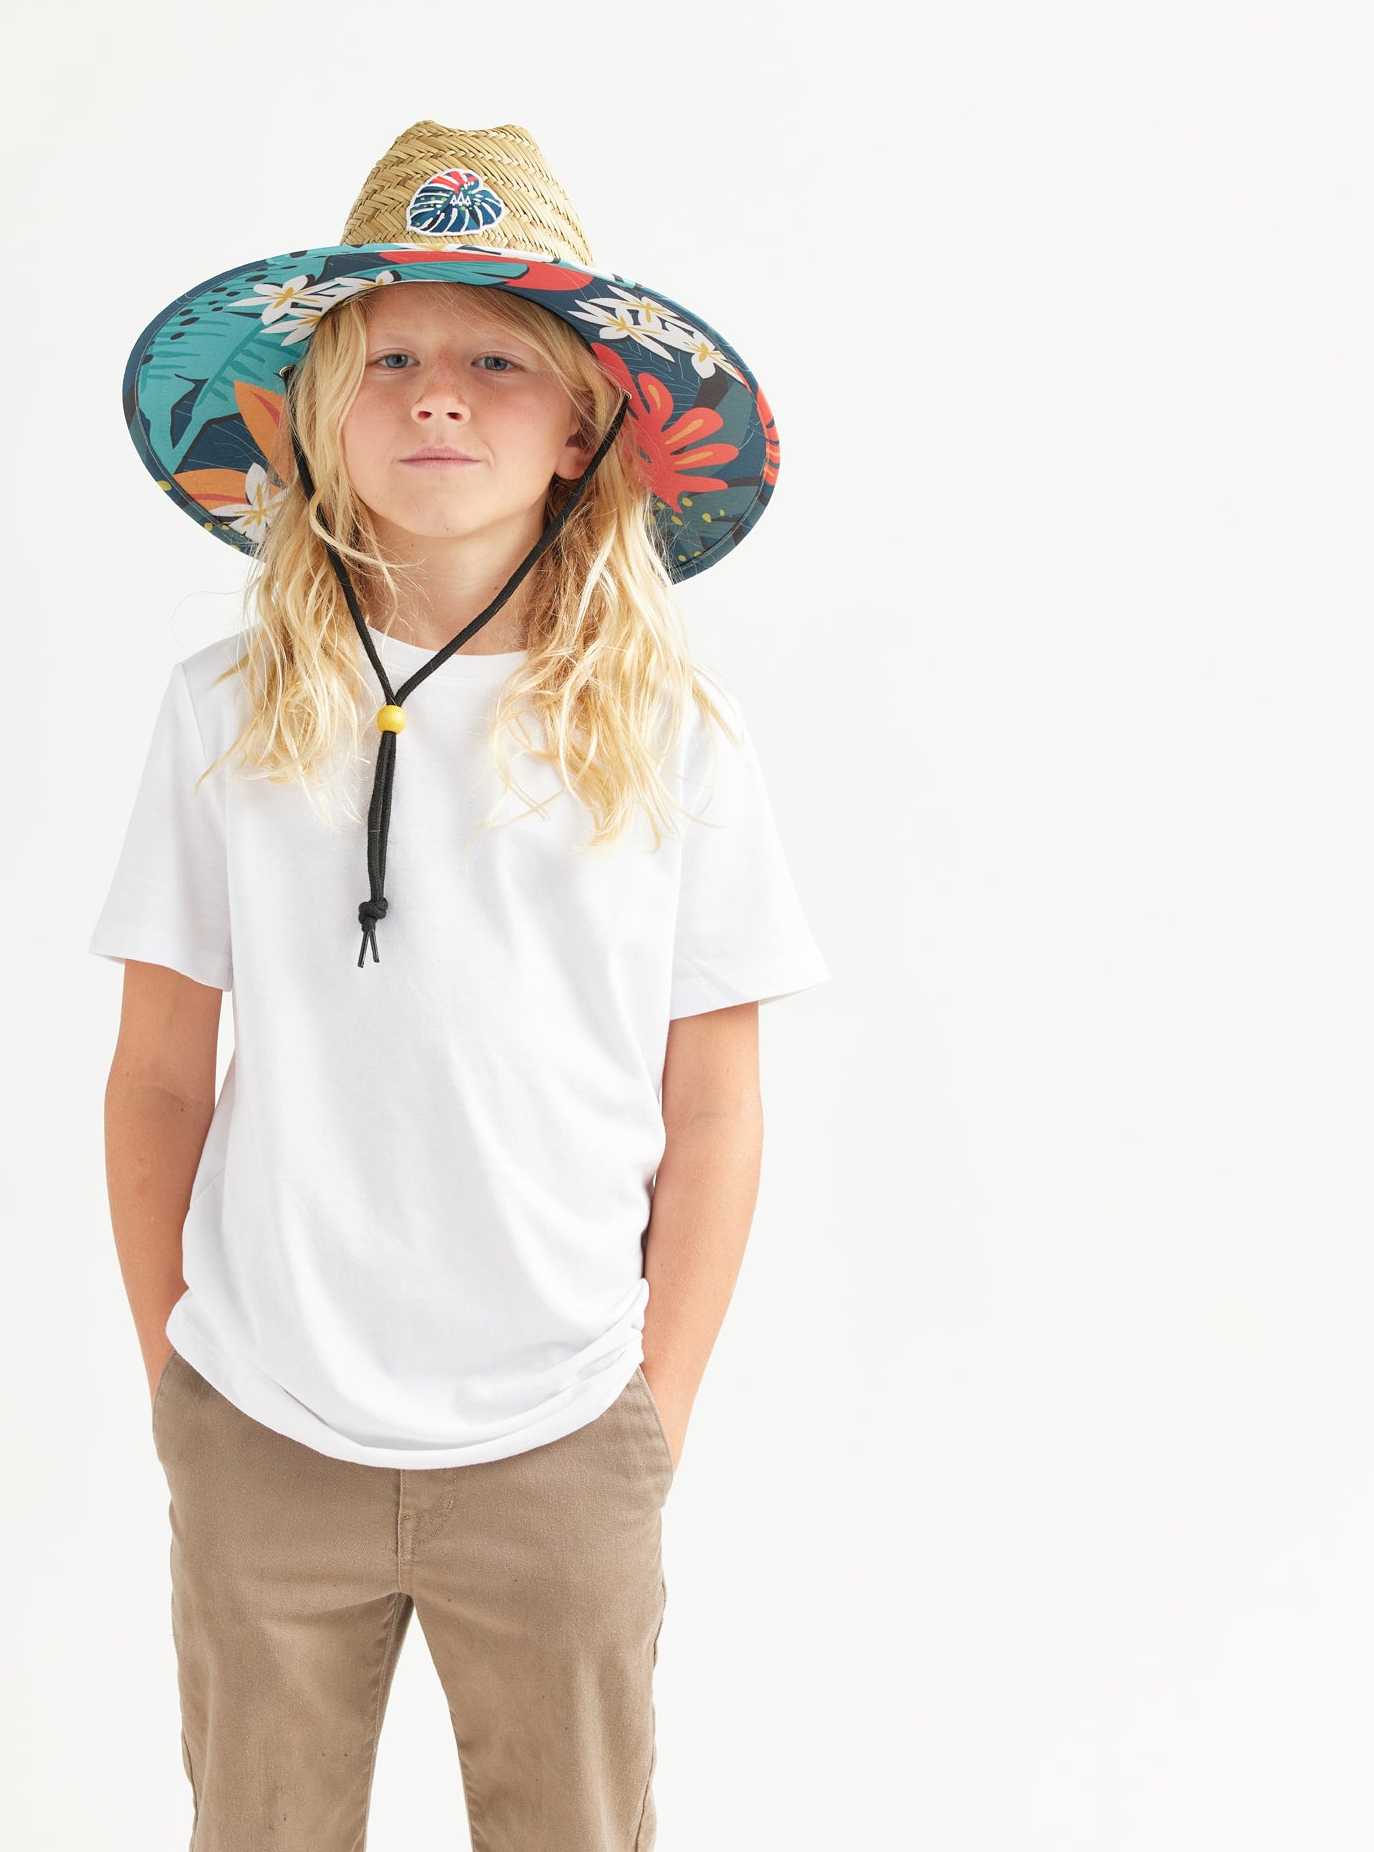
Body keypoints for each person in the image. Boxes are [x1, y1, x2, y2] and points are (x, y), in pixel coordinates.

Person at [92, 119, 829, 1849]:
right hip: (264, 1422)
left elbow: (716, 1105)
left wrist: (653, 1413)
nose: (440, 395)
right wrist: (179, 1380)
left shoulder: (670, 737)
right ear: (318, 411)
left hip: (563, 1429)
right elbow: (158, 1074)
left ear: (582, 426)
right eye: (393, 357)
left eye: (498, 360)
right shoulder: (223, 715)